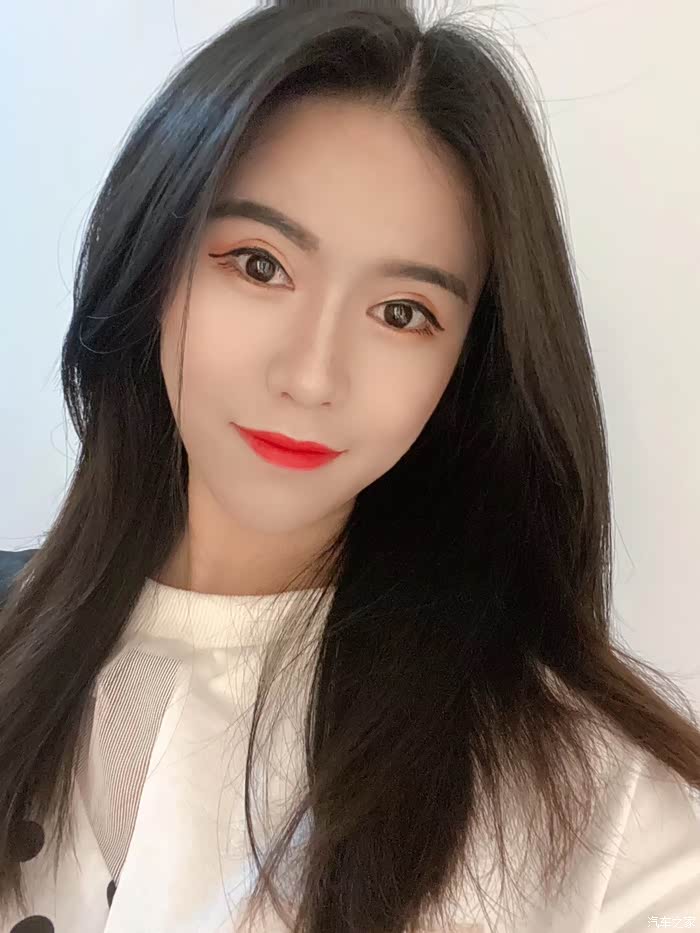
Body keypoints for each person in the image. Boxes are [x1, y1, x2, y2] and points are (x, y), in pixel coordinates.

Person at [1, 0, 699, 930]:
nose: (312, 375)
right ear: (153, 265)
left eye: (403, 312)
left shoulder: (602, 811)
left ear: (465, 369)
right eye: (259, 264)